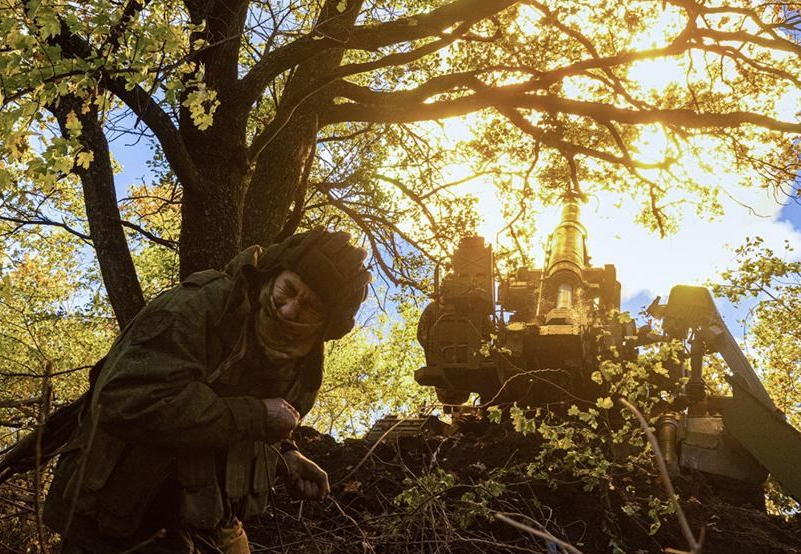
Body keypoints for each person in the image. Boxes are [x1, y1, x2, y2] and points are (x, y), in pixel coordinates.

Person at [43, 227, 371, 554]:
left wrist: (286, 453)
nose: (288, 310)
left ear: (326, 326)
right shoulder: (195, 307)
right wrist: (254, 415)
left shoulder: (304, 364)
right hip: (115, 519)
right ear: (272, 274)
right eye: (289, 289)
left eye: (310, 307)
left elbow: (263, 418)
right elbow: (125, 400)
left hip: (209, 521)